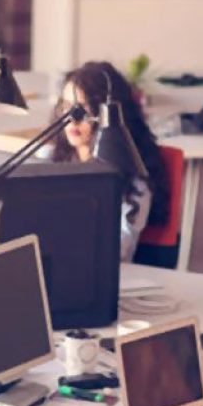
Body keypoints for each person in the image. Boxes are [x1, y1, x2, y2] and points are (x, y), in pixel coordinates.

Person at [50, 61, 170, 262]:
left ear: (110, 114)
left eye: (85, 109)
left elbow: (118, 250)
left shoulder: (134, 183)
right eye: (67, 107)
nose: (73, 119)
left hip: (105, 276)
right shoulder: (50, 161)